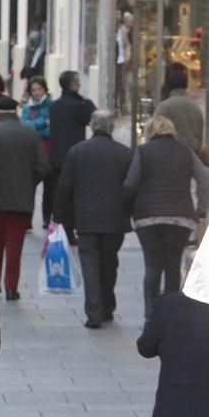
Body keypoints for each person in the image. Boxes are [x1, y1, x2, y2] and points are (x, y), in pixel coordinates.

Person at [122, 115, 209, 320]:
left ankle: (151, 315)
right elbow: (204, 179)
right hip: (180, 217)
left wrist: (129, 207)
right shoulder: (186, 152)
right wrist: (201, 208)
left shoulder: (143, 152)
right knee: (172, 266)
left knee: (152, 267)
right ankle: (170, 315)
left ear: (150, 132)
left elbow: (130, 184)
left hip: (148, 217)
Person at [53, 110, 132, 328]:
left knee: (90, 264)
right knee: (109, 263)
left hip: (86, 219)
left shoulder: (78, 151)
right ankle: (107, 306)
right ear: (112, 127)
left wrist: (58, 215)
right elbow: (131, 187)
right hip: (115, 220)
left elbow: (65, 186)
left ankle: (94, 311)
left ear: (91, 126)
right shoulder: (125, 153)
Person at [0, 96, 50, 300]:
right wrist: (28, 183)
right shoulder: (30, 134)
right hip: (21, 201)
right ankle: (11, 287)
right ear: (16, 111)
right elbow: (43, 167)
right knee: (15, 246)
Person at [47, 71, 97, 226]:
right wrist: (86, 102)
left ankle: (61, 227)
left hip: (56, 159)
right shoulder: (79, 106)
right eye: (78, 81)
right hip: (74, 158)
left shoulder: (54, 106)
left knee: (61, 197)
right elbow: (95, 119)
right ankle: (70, 230)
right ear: (73, 84)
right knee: (74, 197)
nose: (80, 84)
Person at [20, 76, 53, 226]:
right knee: (29, 187)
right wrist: (42, 123)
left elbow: (51, 130)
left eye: (39, 89)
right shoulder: (28, 107)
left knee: (50, 188)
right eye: (33, 90)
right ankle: (27, 220)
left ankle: (47, 218)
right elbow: (24, 127)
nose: (36, 92)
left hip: (49, 151)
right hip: (31, 153)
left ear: (45, 89)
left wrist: (35, 127)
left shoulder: (52, 106)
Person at [155, 62, 204, 160]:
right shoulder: (196, 108)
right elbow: (199, 140)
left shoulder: (164, 107)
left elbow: (155, 141)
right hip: (192, 162)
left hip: (169, 161)